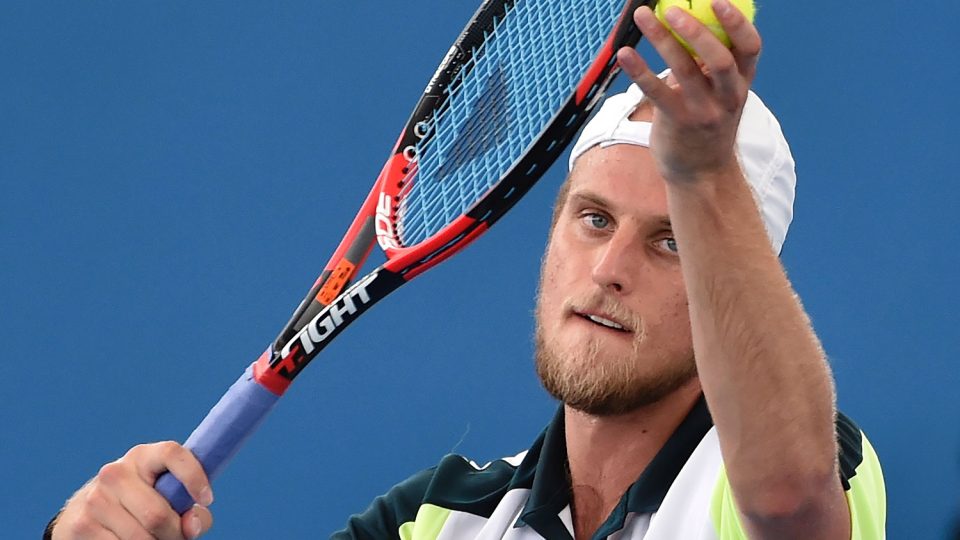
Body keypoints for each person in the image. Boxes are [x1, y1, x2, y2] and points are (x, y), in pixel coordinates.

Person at [47, 2, 886, 539]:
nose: (611, 268)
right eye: (593, 219)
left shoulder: (802, 469)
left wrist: (704, 175)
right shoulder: (431, 521)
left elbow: (788, 501)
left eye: (671, 242)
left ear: (732, 286)